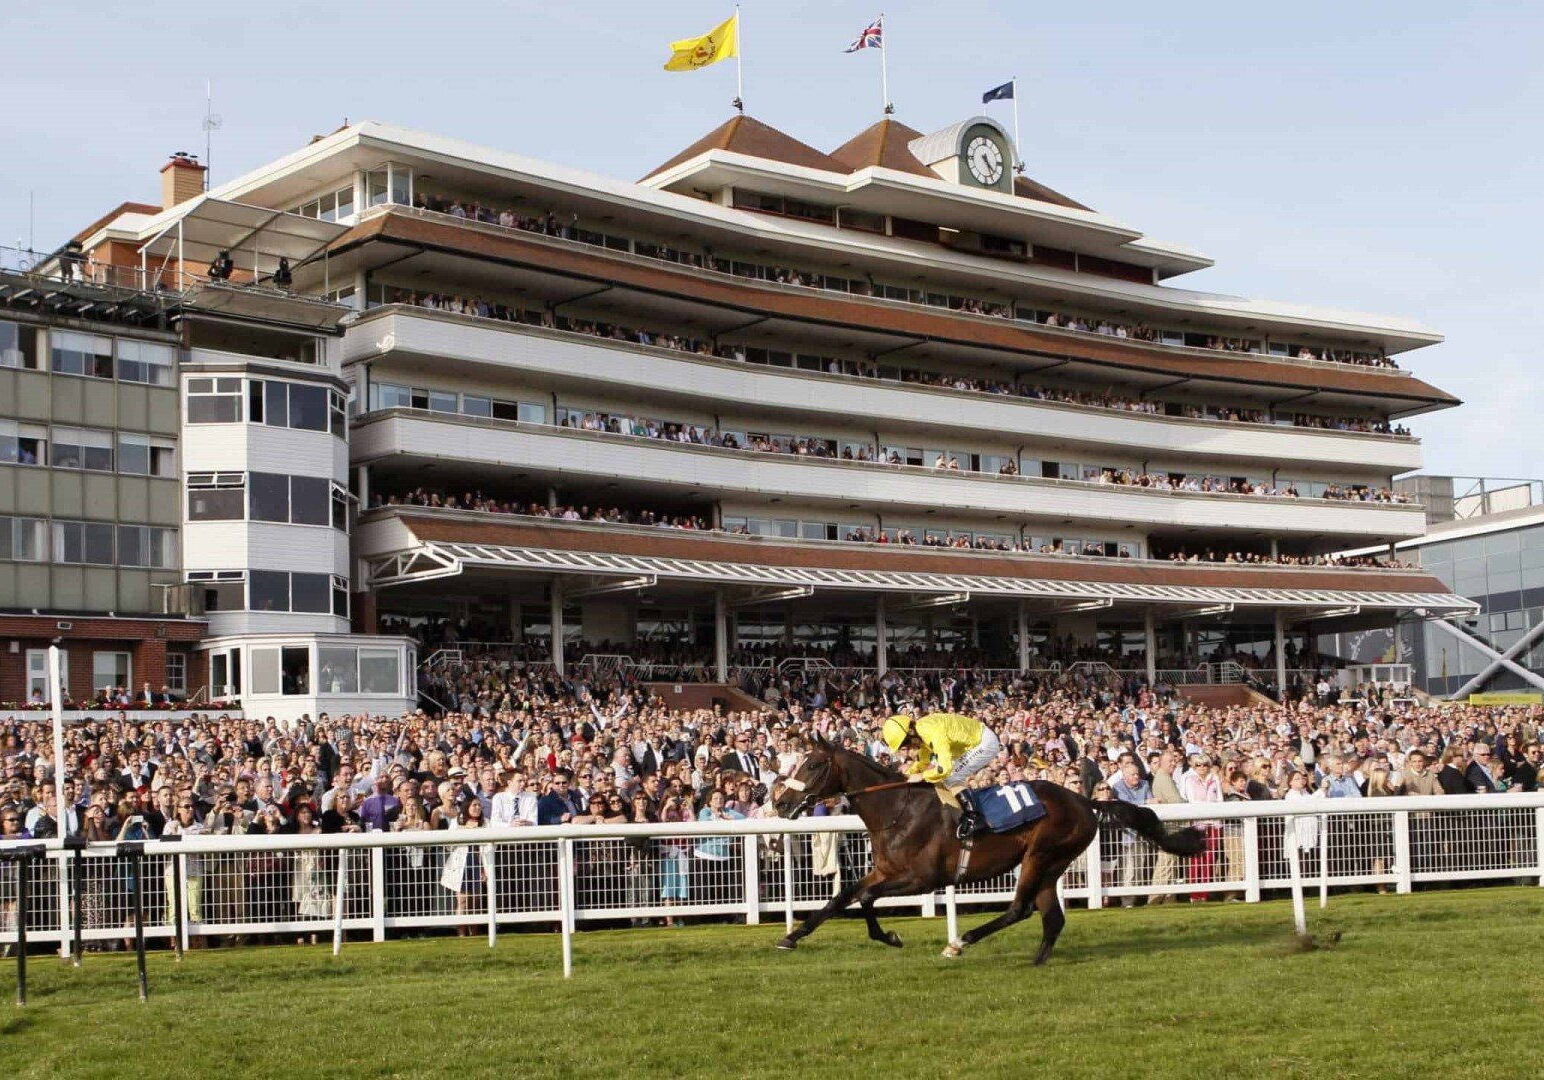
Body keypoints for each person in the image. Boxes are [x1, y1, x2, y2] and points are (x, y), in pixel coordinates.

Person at [882, 712, 1001, 839]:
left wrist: (922, 775)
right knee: (943, 778)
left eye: (906, 743)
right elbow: (923, 761)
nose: (908, 748)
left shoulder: (931, 731)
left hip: (983, 742)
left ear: (910, 732)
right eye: (903, 747)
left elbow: (944, 769)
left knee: (950, 776)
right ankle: (960, 816)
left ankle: (974, 819)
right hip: (970, 746)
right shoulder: (921, 731)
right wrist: (907, 774)